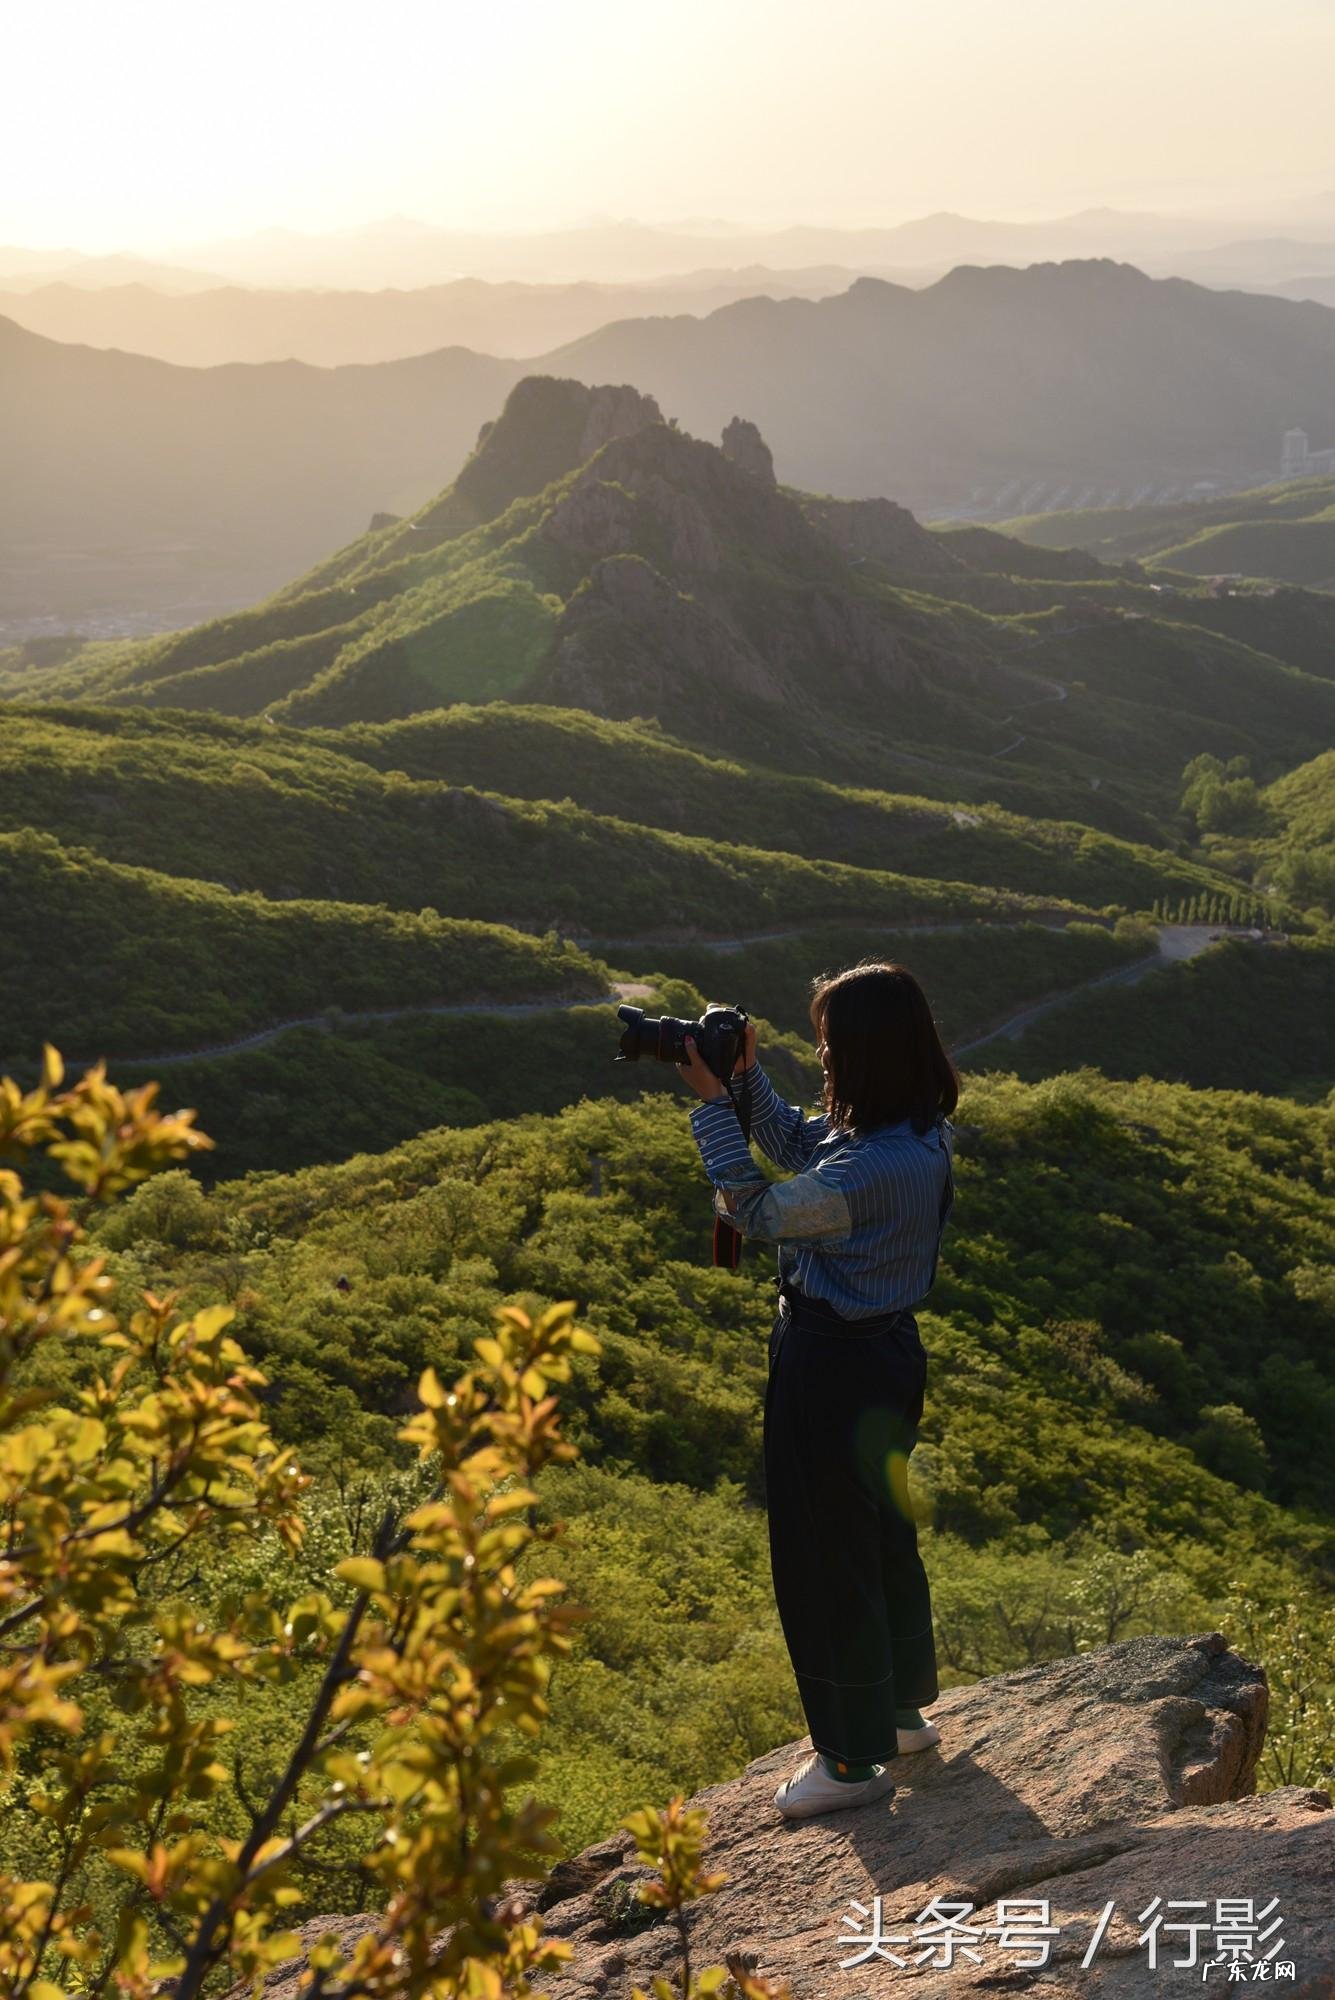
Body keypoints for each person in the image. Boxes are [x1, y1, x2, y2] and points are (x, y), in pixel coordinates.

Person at [680, 960, 957, 1820]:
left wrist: (708, 1109)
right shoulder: (908, 1136)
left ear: (869, 1056)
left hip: (830, 1364)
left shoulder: (867, 1171)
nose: (822, 1060)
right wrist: (747, 1083)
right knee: (874, 1533)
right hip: (882, 1358)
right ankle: (898, 1714)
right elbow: (807, 1145)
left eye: (831, 1048)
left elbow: (756, 1212)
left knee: (821, 1552)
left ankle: (849, 1760)